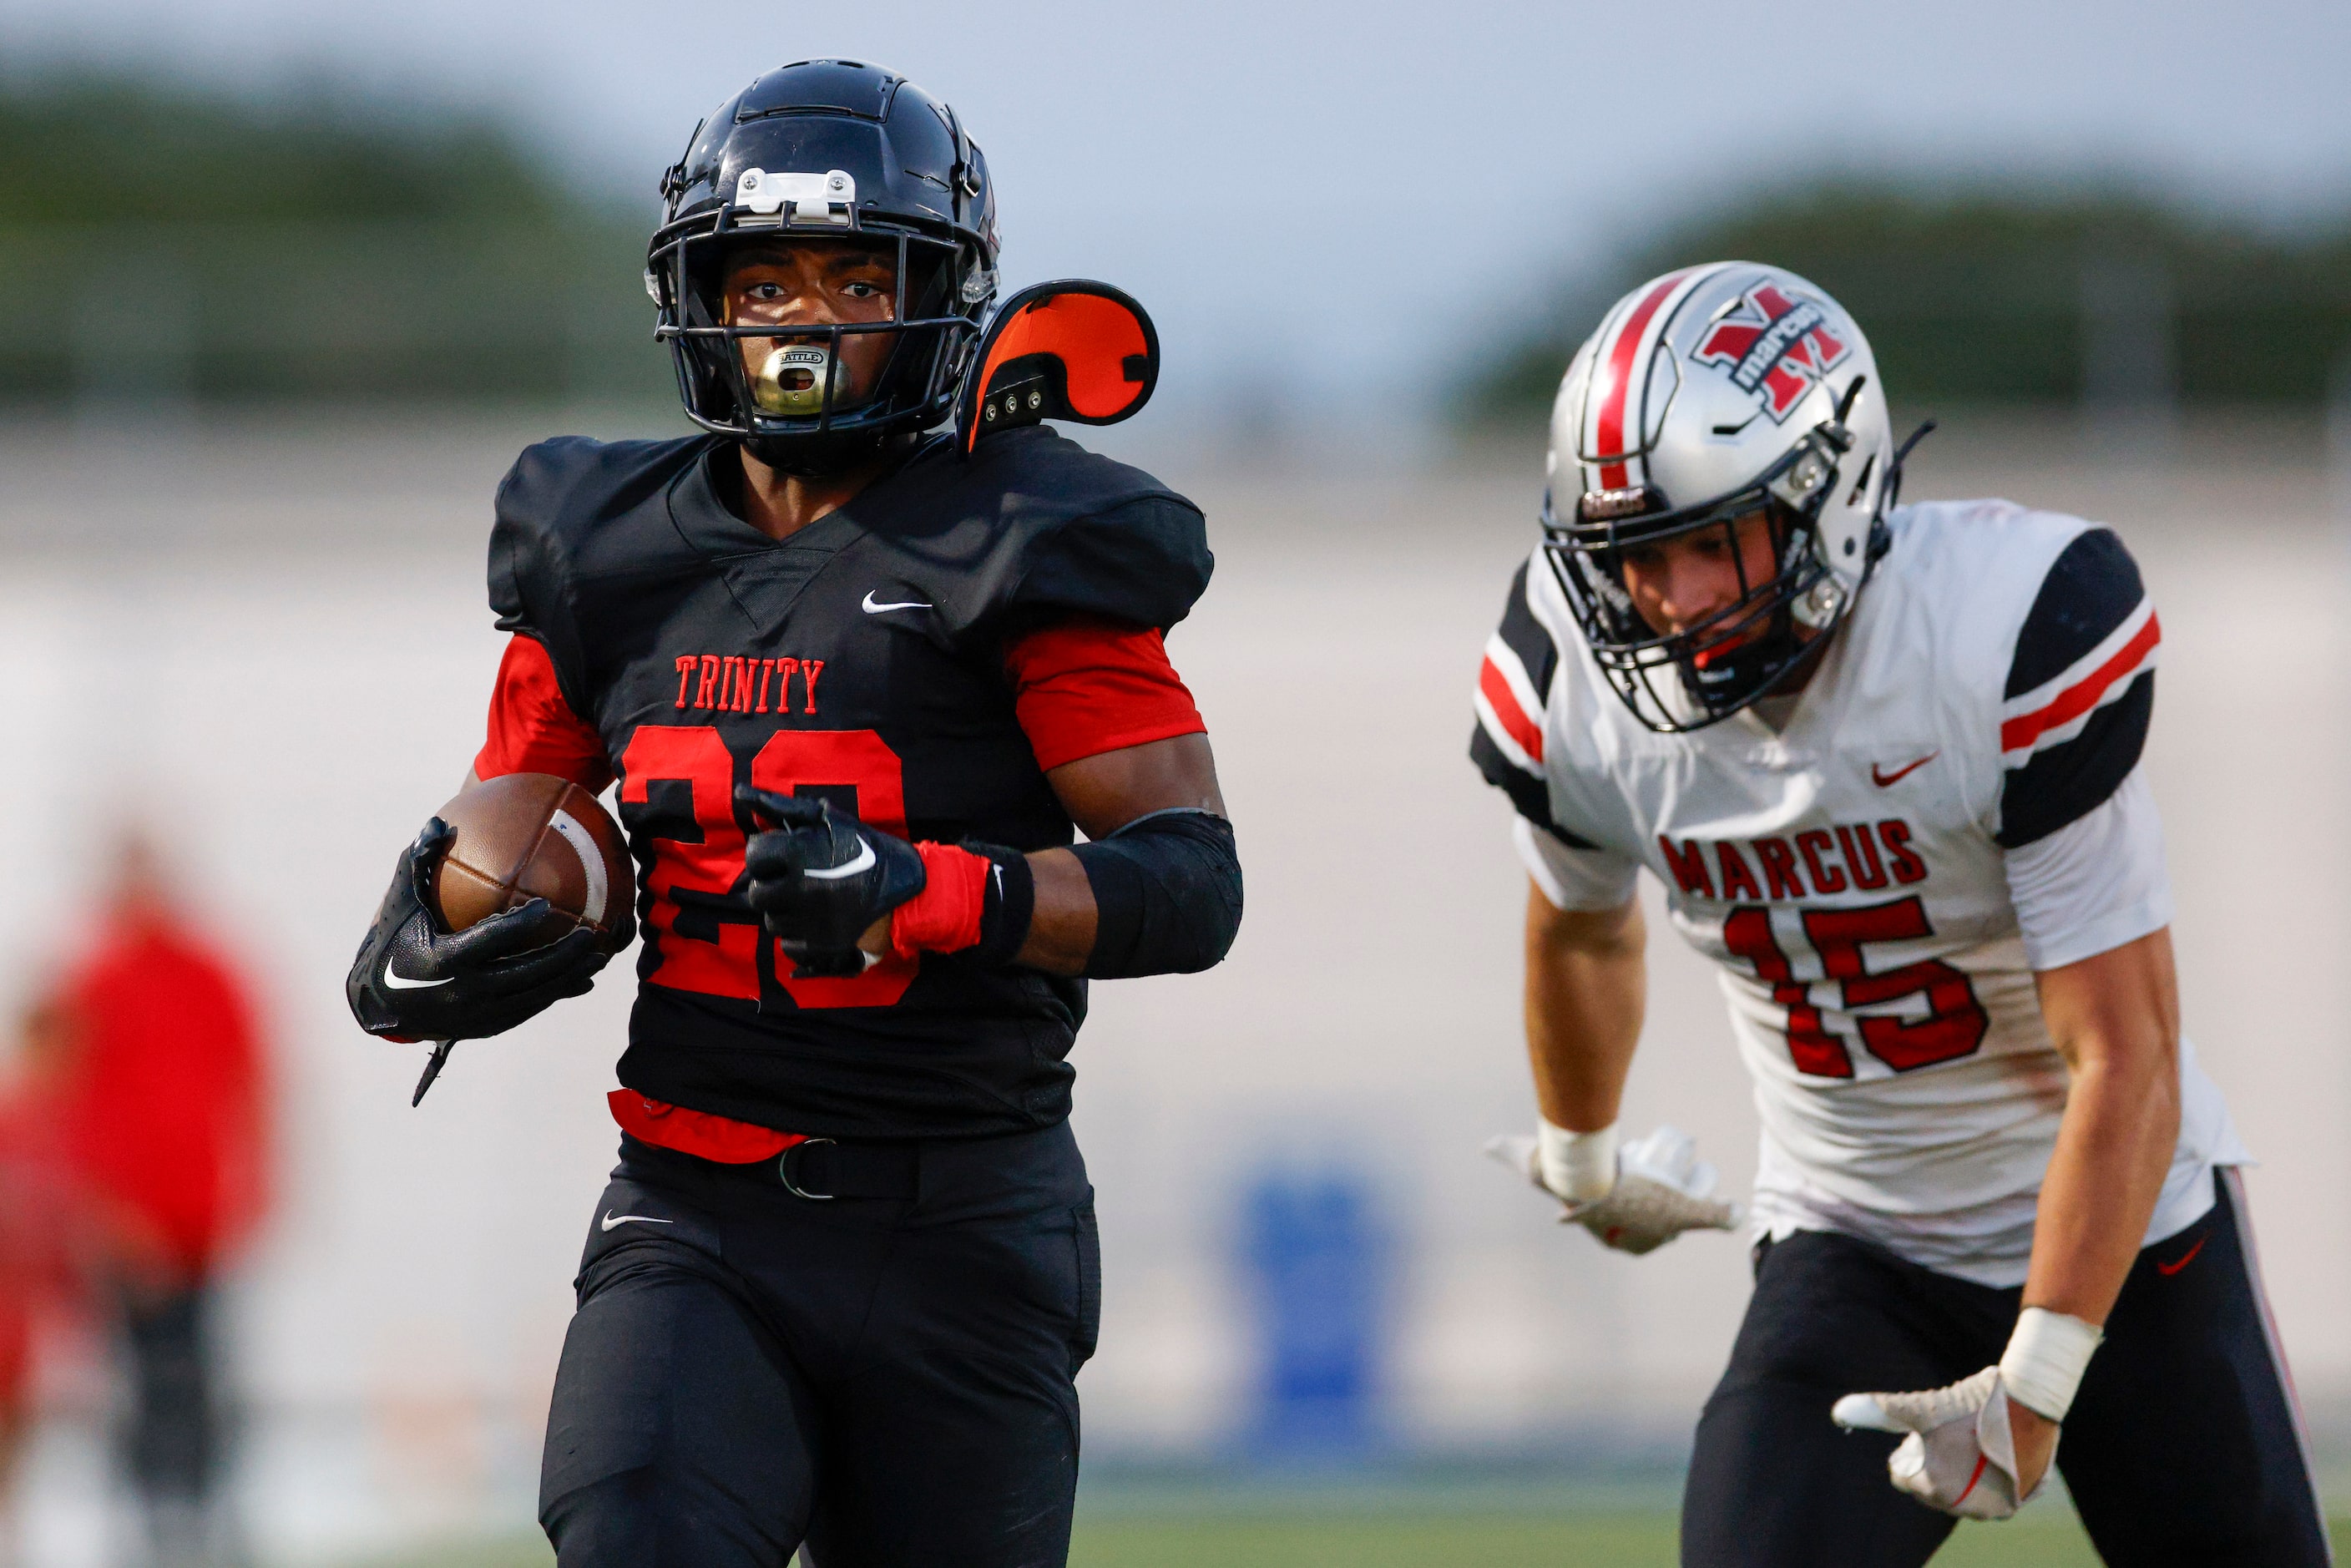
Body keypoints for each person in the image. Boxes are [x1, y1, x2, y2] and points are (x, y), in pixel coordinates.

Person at [345, 58, 1242, 1568]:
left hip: (963, 1219)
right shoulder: (601, 543)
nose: (802, 319)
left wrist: (932, 892)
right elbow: (511, 809)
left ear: (934, 298)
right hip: (696, 1212)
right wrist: (427, 924)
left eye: (850, 276)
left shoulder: (1023, 540)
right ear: (702, 296)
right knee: (632, 1531)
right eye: (763, 280)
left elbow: (1188, 880)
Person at [1472, 262, 2327, 1565]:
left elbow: (2127, 1049)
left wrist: (2038, 1372)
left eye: (1712, 541)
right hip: (1853, 1235)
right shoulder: (1571, 691)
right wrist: (1582, 1158)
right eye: (1641, 554)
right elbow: (1583, 923)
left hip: (2119, 1226)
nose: (1675, 598)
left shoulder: (1997, 634)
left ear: (1831, 492)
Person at [44, 834, 271, 1568]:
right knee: (139, 1382)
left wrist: (255, 1185)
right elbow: (68, 1105)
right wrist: (104, 1215)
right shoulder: (92, 979)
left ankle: (207, 1514)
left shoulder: (209, 972)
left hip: (201, 1218)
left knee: (203, 1373)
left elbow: (251, 1083)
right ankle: (149, 1522)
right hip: (130, 1225)